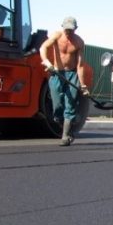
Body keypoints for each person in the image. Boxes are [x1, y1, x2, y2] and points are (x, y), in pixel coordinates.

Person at [39, 16, 89, 146]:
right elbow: (43, 47)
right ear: (62, 27)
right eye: (66, 29)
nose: (68, 32)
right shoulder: (56, 35)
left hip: (72, 74)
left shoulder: (79, 42)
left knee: (70, 104)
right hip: (56, 73)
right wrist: (46, 61)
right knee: (57, 106)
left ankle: (65, 136)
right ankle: (68, 126)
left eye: (71, 30)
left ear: (75, 29)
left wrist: (83, 85)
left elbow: (80, 65)